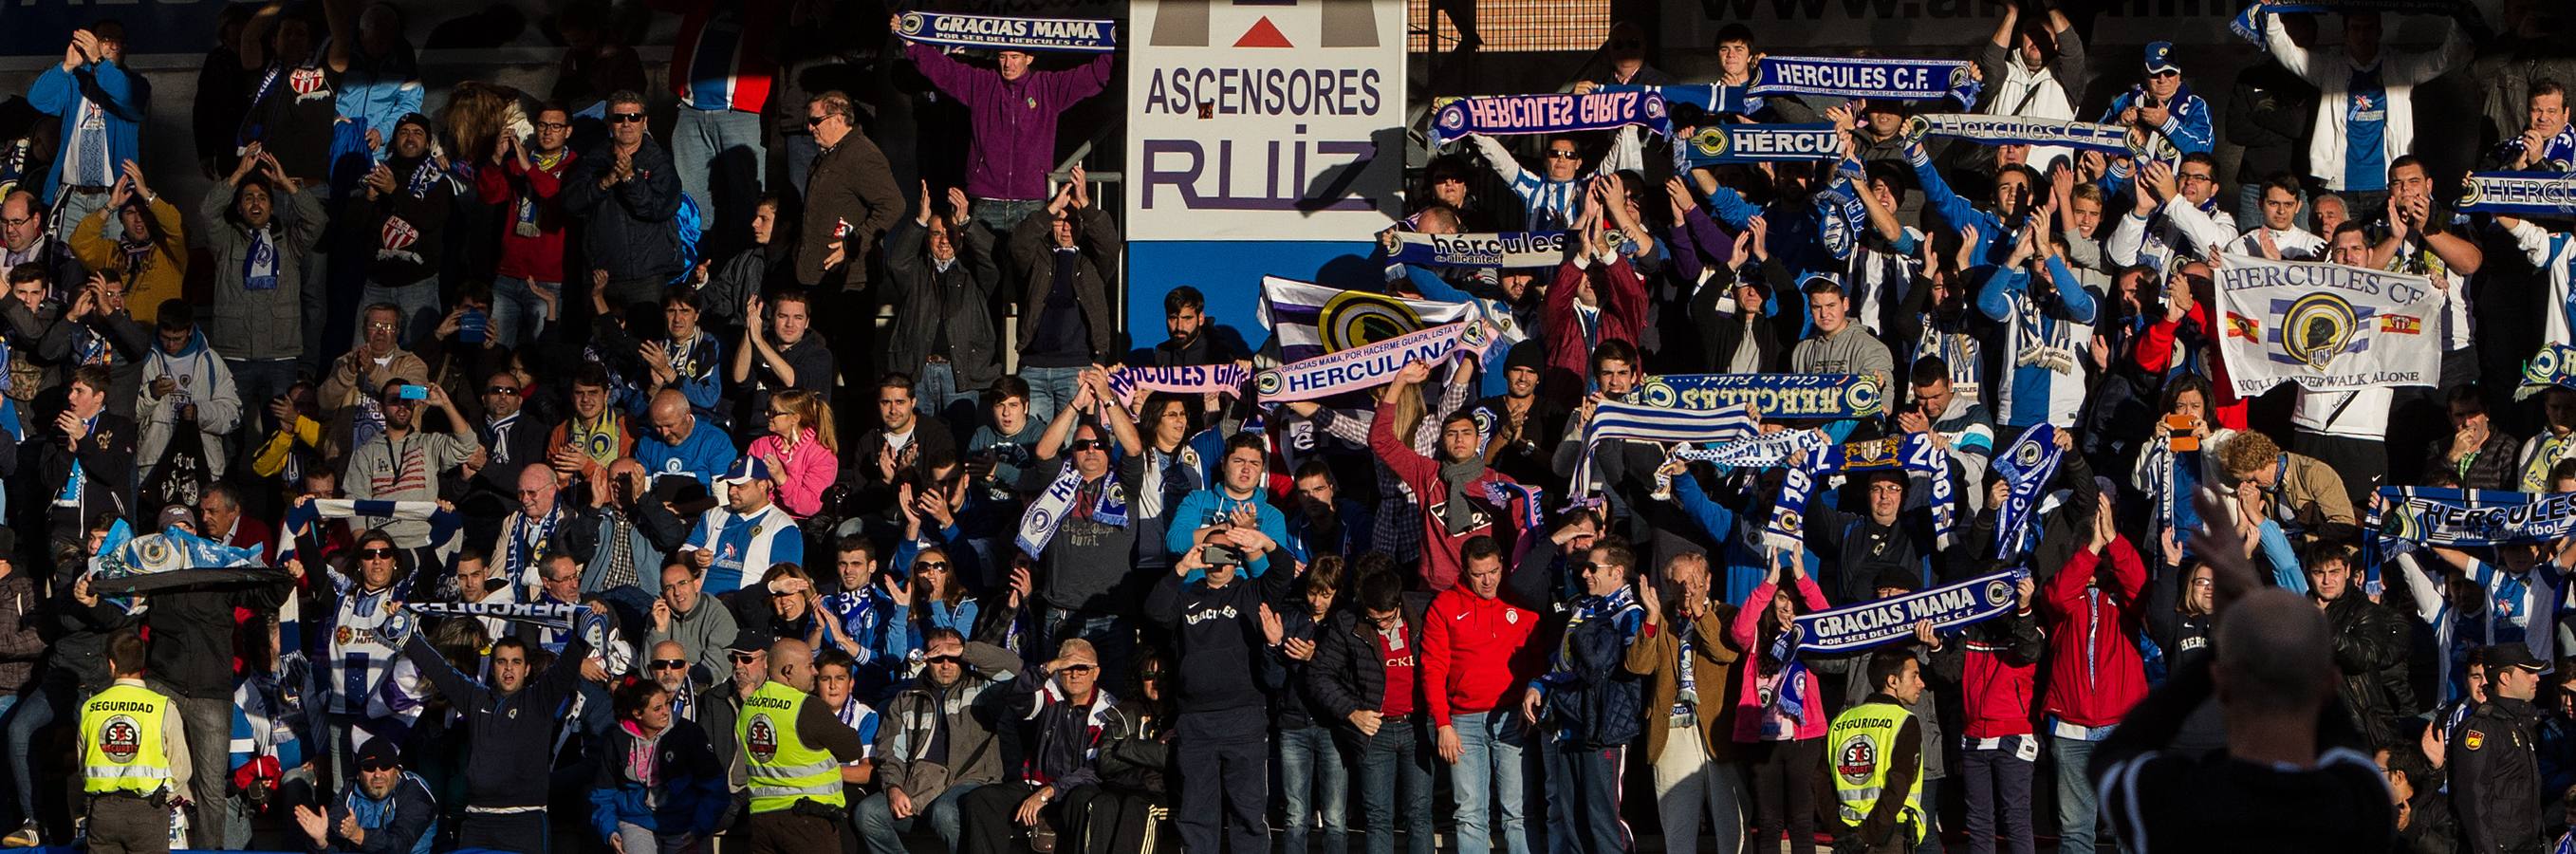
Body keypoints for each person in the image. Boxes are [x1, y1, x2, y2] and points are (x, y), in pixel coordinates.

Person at [2093, 491, 2402, 852]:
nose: (2208, 589)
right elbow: (2163, 612)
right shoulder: (2179, 625)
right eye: (2201, 583)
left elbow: (2110, 762)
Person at [896, 18, 1114, 235]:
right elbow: (945, 71)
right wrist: (911, 40)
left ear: (1029, 58)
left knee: (1028, 268)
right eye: (1003, 56)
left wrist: (1110, 42)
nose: (1007, 64)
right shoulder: (982, 83)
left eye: (1015, 57)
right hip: (987, 199)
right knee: (985, 268)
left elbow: (1095, 76)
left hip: (1031, 202)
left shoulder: (1047, 87)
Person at [1147, 532, 1290, 854]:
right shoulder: (1185, 597)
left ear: (1237, 557)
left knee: (1249, 813)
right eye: (1213, 550)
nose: (1218, 559)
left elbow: (1283, 571)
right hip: (1196, 722)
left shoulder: (1252, 592)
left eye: (1227, 552)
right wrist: (1183, 566)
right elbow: (1155, 611)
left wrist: (1263, 543)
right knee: (1196, 815)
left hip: (1243, 717)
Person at [1423, 537, 1540, 854]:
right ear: (1465, 571)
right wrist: (1443, 724)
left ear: (1502, 565)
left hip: (1511, 717)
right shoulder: (1445, 606)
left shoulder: (1520, 601)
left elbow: (1539, 659)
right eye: (1479, 574)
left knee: (1517, 812)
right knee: (1469, 814)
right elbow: (1433, 668)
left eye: (1493, 571)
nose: (1488, 580)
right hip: (1463, 722)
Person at [858, 628, 1020, 854]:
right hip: (920, 787)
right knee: (868, 813)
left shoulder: (984, 688)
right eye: (937, 657)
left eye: (952, 657)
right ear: (926, 659)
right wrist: (893, 787)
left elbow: (1015, 669)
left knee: (944, 812)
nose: (946, 664)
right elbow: (891, 753)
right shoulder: (905, 699)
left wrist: (966, 650)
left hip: (971, 781)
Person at [1623, 552, 1744, 854]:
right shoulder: (1661, 616)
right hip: (1673, 728)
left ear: (1708, 581)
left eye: (1692, 581)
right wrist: (1650, 619)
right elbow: (1638, 665)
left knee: (1732, 822)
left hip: (1716, 729)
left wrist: (1700, 614)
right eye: (1677, 584)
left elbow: (1724, 652)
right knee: (1678, 826)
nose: (1686, 590)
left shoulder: (1728, 613)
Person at [1530, 540, 1645, 854]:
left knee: (1603, 823)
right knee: (1574, 824)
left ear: (1617, 572)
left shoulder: (1630, 614)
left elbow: (1609, 665)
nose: (1585, 573)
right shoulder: (1582, 607)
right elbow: (1562, 662)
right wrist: (1539, 685)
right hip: (1569, 725)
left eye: (1594, 568)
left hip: (1603, 731)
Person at [959, 639, 1123, 854]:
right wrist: (1049, 668)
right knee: (979, 801)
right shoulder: (1048, 691)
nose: (1074, 674)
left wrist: (1049, 792)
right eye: (1066, 667)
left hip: (1072, 792)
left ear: (1096, 672)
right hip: (1035, 785)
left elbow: (1095, 770)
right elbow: (1016, 697)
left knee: (1084, 799)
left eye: (1082, 668)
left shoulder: (1108, 710)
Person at [736, 638, 873, 854]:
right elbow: (853, 748)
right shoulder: (806, 706)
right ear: (788, 670)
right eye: (809, 666)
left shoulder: (750, 706)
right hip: (807, 818)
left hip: (762, 818)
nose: (815, 672)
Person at [883, 183, 1003, 426]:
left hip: (961, 373)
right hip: (919, 371)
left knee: (961, 445)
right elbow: (896, 263)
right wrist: (920, 221)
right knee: (919, 446)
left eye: (951, 232)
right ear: (927, 238)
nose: (944, 240)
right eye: (936, 233)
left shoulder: (974, 274)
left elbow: (993, 259)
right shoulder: (916, 272)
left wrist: (966, 221)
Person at [561, 89, 683, 319]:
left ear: (644, 120)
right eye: (619, 118)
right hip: (603, 276)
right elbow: (571, 202)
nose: (626, 123)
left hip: (647, 276)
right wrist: (604, 183)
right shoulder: (593, 160)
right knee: (599, 349)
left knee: (647, 346)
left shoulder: (660, 161)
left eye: (634, 117)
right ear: (609, 122)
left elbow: (659, 208)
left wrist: (629, 179)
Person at [1009, 171, 1119, 424]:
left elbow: (1110, 242)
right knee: (1036, 445)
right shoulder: (1038, 255)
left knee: (1072, 446)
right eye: (1060, 221)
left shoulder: (1093, 259)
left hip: (1078, 367)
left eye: (1073, 221)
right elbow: (1018, 244)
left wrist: (1086, 205)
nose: (1067, 227)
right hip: (1034, 367)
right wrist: (1051, 210)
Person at [474, 102, 576, 349]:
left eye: (555, 126)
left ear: (568, 131)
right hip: (508, 274)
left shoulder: (575, 166)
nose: (547, 131)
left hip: (548, 279)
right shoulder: (518, 162)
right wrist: (498, 157)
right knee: (495, 348)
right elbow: (490, 195)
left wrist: (529, 169)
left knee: (541, 354)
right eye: (542, 125)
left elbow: (554, 197)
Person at [29, 24, 148, 232]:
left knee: (111, 263)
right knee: (67, 263)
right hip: (73, 196)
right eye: (104, 39)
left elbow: (127, 98)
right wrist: (66, 66)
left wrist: (99, 62)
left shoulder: (136, 84)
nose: (113, 46)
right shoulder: (76, 82)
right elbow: (38, 99)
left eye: (118, 40)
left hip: (115, 197)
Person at [78, 630, 187, 854]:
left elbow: (82, 763)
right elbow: (181, 767)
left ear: (111, 664)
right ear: (142, 664)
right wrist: (164, 795)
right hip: (148, 811)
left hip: (103, 812)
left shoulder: (91, 707)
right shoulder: (162, 706)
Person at [588, 678, 726, 854]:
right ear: (638, 713)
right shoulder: (617, 739)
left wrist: (700, 827)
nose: (665, 712)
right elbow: (603, 793)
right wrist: (610, 830)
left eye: (667, 704)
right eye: (657, 709)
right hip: (636, 820)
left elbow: (715, 786)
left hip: (683, 821)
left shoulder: (688, 733)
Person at [792, 91, 901, 295]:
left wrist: (851, 245)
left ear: (838, 119)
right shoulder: (828, 155)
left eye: (816, 121)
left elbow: (893, 205)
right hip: (820, 276)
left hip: (850, 281)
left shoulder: (862, 155)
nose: (810, 127)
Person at [1828, 649, 1930, 854]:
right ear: (1893, 681)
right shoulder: (1904, 721)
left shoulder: (1841, 721)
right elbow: (1898, 785)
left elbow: (1821, 782)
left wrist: (1839, 831)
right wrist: (1867, 835)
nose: (1921, 683)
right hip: (1889, 834)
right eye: (1914, 676)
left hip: (1848, 834)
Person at [678, 456, 803, 595]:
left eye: (740, 486)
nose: (731, 491)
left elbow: (784, 580)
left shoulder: (783, 527)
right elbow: (682, 556)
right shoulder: (712, 515)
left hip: (746, 606)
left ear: (762, 485)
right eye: (730, 484)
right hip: (703, 602)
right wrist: (694, 558)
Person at [294, 738, 436, 854]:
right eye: (369, 767)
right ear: (359, 773)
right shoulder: (348, 793)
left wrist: (359, 835)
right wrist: (322, 842)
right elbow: (338, 848)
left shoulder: (414, 791)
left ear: (397, 770)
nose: (378, 774)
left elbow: (400, 845)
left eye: (385, 766)